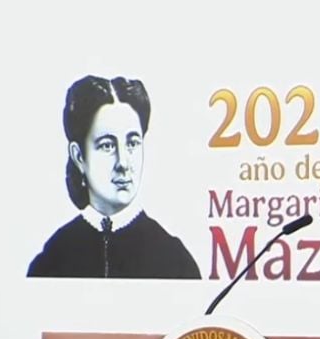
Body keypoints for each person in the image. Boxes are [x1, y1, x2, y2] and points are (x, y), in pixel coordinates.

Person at [27, 75, 201, 279]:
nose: (123, 163)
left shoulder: (174, 260)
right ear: (79, 156)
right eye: (107, 146)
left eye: (132, 143)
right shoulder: (53, 260)